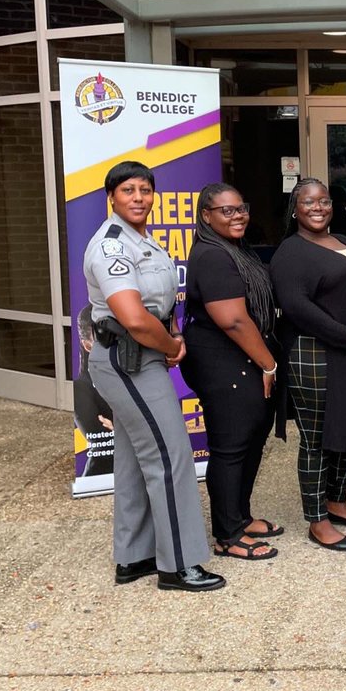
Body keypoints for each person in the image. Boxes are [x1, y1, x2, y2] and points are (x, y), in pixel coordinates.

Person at [83, 160, 224, 593]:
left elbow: (160, 304)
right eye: (128, 190)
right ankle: (178, 565)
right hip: (129, 361)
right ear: (111, 197)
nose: (139, 198)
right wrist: (172, 347)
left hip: (142, 355)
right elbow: (133, 318)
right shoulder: (111, 246)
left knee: (131, 460)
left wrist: (172, 330)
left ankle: (134, 557)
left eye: (145, 190)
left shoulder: (144, 240)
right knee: (170, 458)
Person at [269, 179, 346, 552]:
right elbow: (297, 307)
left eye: (324, 201)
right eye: (308, 201)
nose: (317, 207)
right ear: (295, 207)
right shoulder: (290, 251)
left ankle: (337, 500)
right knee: (317, 438)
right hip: (313, 352)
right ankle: (317, 519)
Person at [179, 184, 281, 562]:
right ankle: (227, 534)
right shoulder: (211, 255)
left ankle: (241, 516)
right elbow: (234, 320)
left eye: (242, 209)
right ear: (206, 215)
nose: (237, 216)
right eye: (227, 211)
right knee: (231, 447)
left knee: (252, 440)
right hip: (225, 362)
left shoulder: (234, 249)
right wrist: (267, 363)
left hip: (243, 359)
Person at [73, 303, 114, 478]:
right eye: (100, 337)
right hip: (102, 477)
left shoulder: (131, 373)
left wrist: (117, 428)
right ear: (87, 345)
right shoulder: (81, 388)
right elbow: (101, 440)